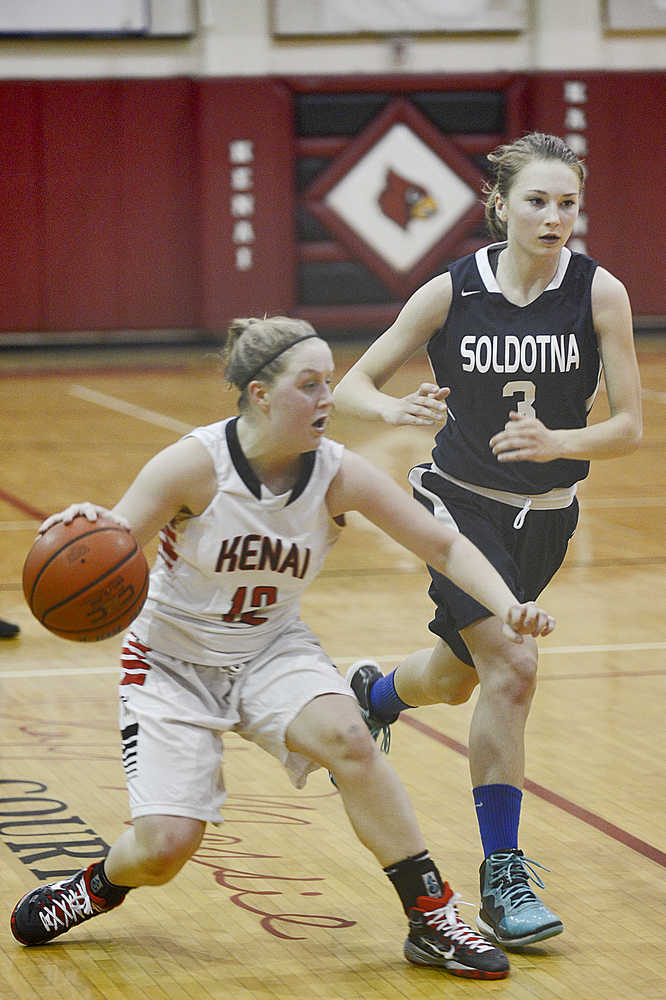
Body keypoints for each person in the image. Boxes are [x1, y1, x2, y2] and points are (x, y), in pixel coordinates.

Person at [10, 317, 557, 981]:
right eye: (309, 385)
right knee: (164, 850)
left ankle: (432, 915)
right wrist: (84, 523)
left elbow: (441, 544)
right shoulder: (194, 464)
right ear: (261, 394)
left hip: (272, 650)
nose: (327, 398)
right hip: (173, 663)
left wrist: (508, 605)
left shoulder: (336, 474)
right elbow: (115, 540)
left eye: (330, 382)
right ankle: (96, 886)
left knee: (350, 739)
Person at [332, 133, 642, 949]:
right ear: (499, 205)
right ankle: (502, 877)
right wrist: (395, 412)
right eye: (537, 200)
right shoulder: (450, 292)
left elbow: (630, 428)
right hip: (456, 509)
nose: (554, 216)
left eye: (567, 202)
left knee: (461, 677)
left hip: (547, 515)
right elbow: (353, 385)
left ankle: (378, 693)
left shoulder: (600, 293)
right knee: (514, 664)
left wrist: (560, 443)